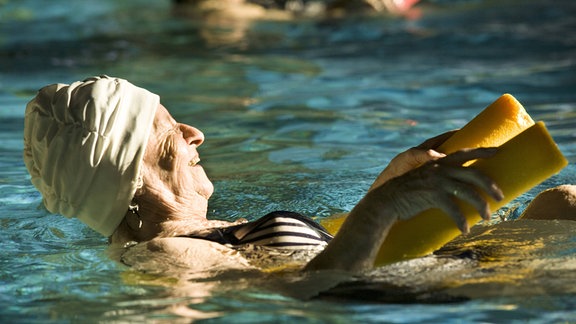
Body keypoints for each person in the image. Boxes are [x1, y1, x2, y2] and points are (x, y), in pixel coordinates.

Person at [23, 75, 573, 275]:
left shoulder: (206, 232)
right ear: (128, 168)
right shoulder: (163, 255)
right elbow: (304, 293)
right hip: (443, 296)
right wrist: (384, 208)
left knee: (563, 204)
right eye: (169, 127)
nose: (196, 134)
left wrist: (395, 177)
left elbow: (314, 255)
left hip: (426, 272)